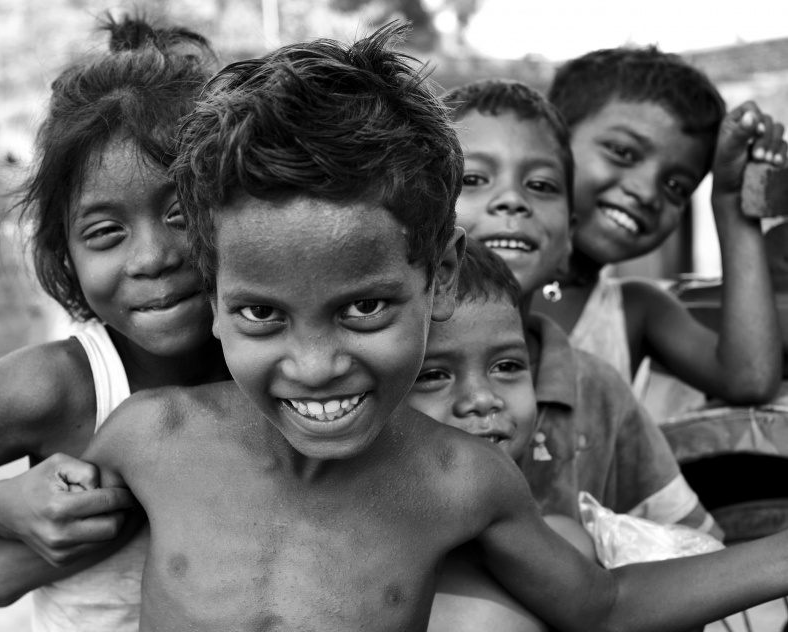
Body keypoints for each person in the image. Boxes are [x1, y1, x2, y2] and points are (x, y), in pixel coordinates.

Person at [75, 25, 788, 631]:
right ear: (212, 289)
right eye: (263, 314)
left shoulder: (461, 481)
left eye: (364, 309)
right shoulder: (151, 437)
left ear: (441, 276)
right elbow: (24, 559)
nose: (315, 366)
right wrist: (7, 507)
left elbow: (602, 607)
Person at [0, 14, 227, 630]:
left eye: (182, 213)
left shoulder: (284, 367)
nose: (152, 257)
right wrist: (4, 504)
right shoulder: (53, 388)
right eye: (106, 232)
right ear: (66, 252)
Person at [440, 78, 719, 534]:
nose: (512, 200)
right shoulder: (386, 375)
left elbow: (696, 539)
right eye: (473, 179)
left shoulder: (599, 391)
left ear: (569, 235)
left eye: (540, 185)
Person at [530, 46, 784, 410]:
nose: (647, 192)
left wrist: (731, 200)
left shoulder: (637, 310)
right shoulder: (462, 270)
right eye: (623, 152)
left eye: (676, 186)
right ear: (549, 138)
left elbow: (750, 378)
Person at [407, 240, 596, 632]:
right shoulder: (352, 560)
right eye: (434, 375)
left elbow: (615, 609)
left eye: (507, 366)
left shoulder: (564, 549)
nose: (482, 400)